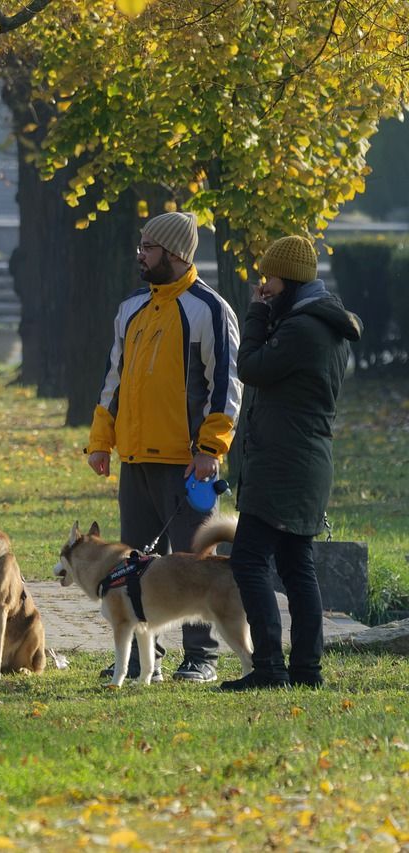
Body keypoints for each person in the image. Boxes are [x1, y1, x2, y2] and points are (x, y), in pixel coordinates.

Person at [85, 210, 242, 683]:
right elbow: (113, 380)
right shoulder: (131, 308)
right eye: (141, 246)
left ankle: (201, 657)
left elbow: (227, 386)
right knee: (133, 565)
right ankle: (138, 660)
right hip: (135, 460)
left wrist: (210, 448)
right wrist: (101, 441)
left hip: (187, 464)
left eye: (149, 248)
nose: (140, 255)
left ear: (174, 253)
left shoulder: (210, 309)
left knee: (197, 566)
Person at [220, 235, 362, 691]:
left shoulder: (303, 330)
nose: (264, 286)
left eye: (270, 279)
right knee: (297, 565)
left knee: (248, 560)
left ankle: (269, 667)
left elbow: (250, 367)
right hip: (303, 463)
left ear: (291, 280)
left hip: (284, 465)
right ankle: (305, 669)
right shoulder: (320, 324)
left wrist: (256, 314)